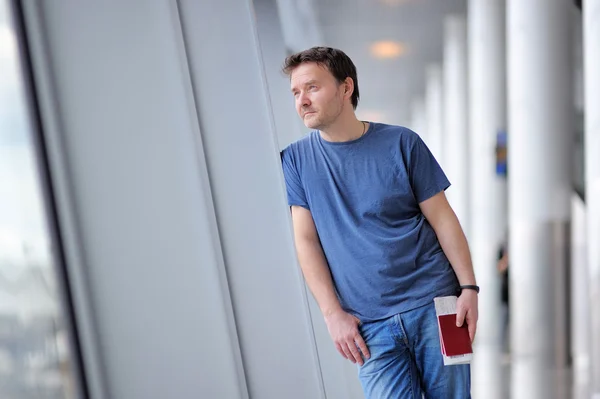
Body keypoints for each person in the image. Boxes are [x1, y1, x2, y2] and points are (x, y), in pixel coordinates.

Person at [280, 46, 478, 399]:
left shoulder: (402, 142)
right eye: (296, 92)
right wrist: (332, 314)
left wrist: (469, 288)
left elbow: (443, 218)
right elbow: (305, 242)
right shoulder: (295, 161)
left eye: (311, 87)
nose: (302, 101)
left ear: (346, 87)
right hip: (367, 324)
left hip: (437, 304)